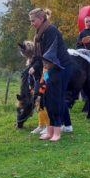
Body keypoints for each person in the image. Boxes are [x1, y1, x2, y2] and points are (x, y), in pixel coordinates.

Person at [28, 8, 72, 141]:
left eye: (33, 20)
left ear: (41, 19)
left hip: (60, 68)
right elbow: (38, 56)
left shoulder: (51, 30)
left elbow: (50, 55)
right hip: (49, 69)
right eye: (30, 21)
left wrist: (44, 71)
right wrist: (33, 67)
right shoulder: (39, 34)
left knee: (56, 99)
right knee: (46, 98)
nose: (31, 23)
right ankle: (50, 130)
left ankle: (57, 133)